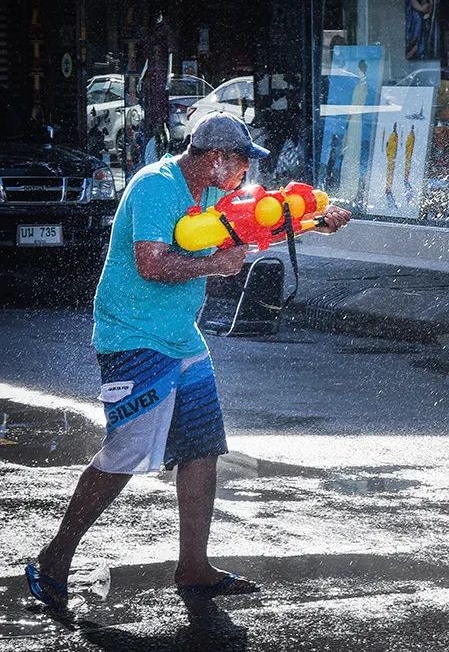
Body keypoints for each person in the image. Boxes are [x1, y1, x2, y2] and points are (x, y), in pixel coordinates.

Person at [25, 112, 351, 608]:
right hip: (133, 337)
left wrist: (313, 223)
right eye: (242, 162)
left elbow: (248, 224)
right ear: (217, 158)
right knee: (127, 451)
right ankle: (54, 558)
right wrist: (215, 265)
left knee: (202, 448)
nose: (245, 173)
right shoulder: (156, 187)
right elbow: (150, 263)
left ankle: (193, 568)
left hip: (181, 337)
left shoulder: (210, 194)